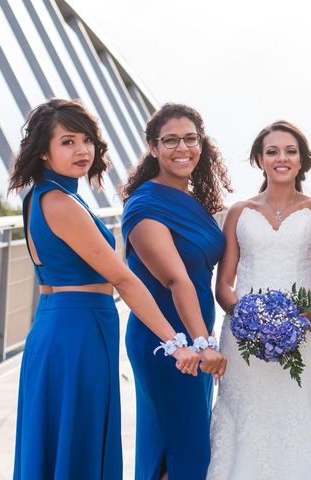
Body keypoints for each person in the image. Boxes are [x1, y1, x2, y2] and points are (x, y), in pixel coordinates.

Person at [9, 99, 198, 480]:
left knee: (69, 439)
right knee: (79, 438)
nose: (81, 150)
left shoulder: (43, 196)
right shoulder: (60, 202)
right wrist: (174, 341)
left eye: (86, 140)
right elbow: (124, 279)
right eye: (67, 142)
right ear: (43, 151)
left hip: (64, 326)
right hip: (77, 330)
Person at [207, 120, 311, 479]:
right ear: (260, 159)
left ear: (302, 160)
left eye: (290, 151)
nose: (281, 158)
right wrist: (247, 320)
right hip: (243, 340)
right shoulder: (239, 212)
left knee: (301, 413)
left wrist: (305, 315)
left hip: (303, 334)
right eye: (272, 151)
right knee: (245, 418)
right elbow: (224, 283)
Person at [121, 103, 230, 479]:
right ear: (153, 147)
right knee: (178, 450)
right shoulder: (144, 205)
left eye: (190, 139)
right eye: (171, 140)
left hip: (197, 337)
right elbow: (176, 279)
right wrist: (202, 342)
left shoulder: (195, 202)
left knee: (188, 447)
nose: (182, 148)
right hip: (166, 343)